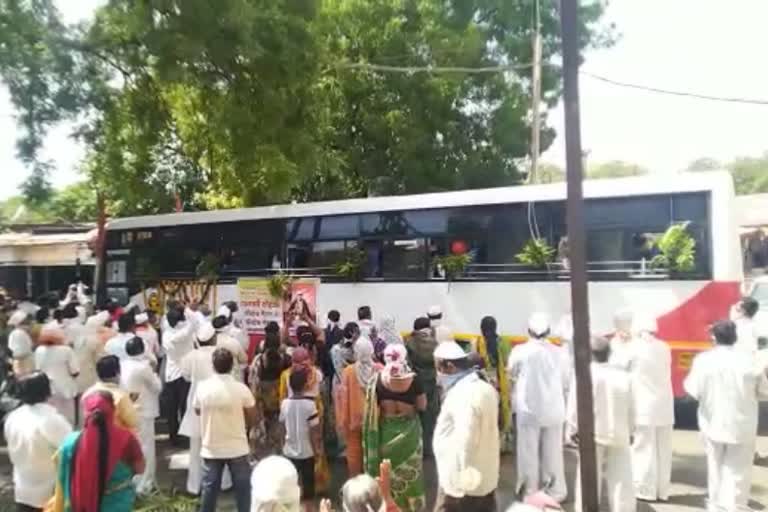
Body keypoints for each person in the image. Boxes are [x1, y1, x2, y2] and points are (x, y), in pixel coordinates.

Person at [684, 320, 768, 512]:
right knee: (739, 469)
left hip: (712, 423)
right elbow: (764, 391)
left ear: (713, 338)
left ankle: (716, 505)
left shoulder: (703, 360)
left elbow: (691, 391)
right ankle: (736, 505)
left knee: (715, 467)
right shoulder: (749, 360)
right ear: (735, 337)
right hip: (742, 425)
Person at [567, 336, 635, 512]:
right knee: (621, 477)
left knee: (588, 477)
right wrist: (631, 429)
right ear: (610, 353)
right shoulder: (623, 376)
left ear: (589, 353)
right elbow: (632, 406)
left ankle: (586, 508)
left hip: (592, 433)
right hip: (619, 431)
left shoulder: (584, 375)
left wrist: (572, 429)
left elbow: (575, 404)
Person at [506, 313, 568, 502]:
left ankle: (529, 491)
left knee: (527, 451)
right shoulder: (560, 353)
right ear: (549, 332)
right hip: (554, 409)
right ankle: (556, 491)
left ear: (528, 331)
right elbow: (566, 382)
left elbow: (511, 375)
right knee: (554, 452)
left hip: (528, 410)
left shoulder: (519, 351)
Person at [48, 391, 145, 512]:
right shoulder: (126, 439)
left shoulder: (70, 442)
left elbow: (62, 476)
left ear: (85, 413)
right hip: (117, 502)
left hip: (78, 504)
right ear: (113, 410)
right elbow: (140, 468)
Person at [433, 341, 500, 512]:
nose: (438, 375)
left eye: (438, 368)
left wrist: (464, 475)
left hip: (462, 482)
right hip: (485, 474)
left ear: (449, 366)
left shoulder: (462, 395)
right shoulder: (485, 388)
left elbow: (466, 437)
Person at [363, 344, 426, 511]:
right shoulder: (414, 380)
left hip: (386, 433)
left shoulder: (376, 380)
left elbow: (372, 408)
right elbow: (422, 406)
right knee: (412, 475)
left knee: (386, 473)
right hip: (409, 432)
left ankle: (387, 506)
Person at [194, 348, 255, 512]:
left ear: (213, 366)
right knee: (243, 491)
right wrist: (245, 428)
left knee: (209, 490)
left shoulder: (202, 387)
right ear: (231, 366)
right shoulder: (241, 389)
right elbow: (252, 415)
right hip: (238, 446)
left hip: (211, 447)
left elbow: (198, 410)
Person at [4, 372, 72, 512]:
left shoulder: (13, 417)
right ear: (46, 391)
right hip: (48, 493)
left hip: (23, 489)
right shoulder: (51, 420)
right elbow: (73, 448)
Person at [626, 316, 674, 502]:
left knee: (644, 449)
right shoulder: (664, 347)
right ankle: (663, 491)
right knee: (664, 450)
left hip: (643, 406)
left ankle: (645, 490)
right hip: (664, 406)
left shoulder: (634, 347)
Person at [179, 321, 231, 494]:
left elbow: (185, 376)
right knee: (220, 445)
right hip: (217, 399)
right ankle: (223, 483)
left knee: (196, 448)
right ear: (213, 338)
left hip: (196, 401)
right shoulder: (220, 355)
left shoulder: (190, 356)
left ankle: (194, 486)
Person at [278, 345, 331, 494]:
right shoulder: (316, 373)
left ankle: (299, 488)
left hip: (293, 411)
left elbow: (282, 396)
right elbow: (323, 394)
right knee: (316, 447)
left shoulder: (286, 375)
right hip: (313, 412)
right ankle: (317, 486)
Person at [120, 336, 162, 494]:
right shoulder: (143, 367)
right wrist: (154, 372)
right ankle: (145, 485)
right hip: (144, 411)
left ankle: (134, 482)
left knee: (133, 447)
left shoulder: (123, 364)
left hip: (128, 410)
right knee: (146, 448)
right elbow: (157, 387)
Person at [339, 337, 381, 476]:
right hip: (375, 417)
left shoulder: (349, 371)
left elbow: (344, 399)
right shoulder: (379, 369)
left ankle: (356, 482)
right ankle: (374, 481)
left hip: (354, 418)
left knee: (354, 450)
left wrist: (343, 420)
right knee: (373, 448)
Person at [281, 370, 322, 507]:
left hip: (289, 451)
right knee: (308, 488)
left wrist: (283, 443)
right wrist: (317, 450)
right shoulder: (310, 405)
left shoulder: (285, 404)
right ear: (306, 386)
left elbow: (282, 427)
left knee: (291, 486)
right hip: (307, 452)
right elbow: (314, 431)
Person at [249, 323, 291, 459]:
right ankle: (278, 452)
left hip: (262, 398)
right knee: (278, 427)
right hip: (280, 397)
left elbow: (253, 380)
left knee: (262, 427)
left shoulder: (259, 360)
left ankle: (261, 455)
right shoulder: (285, 358)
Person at [475, 316, 513, 452]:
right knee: (502, 411)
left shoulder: (478, 342)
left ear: (481, 329)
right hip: (501, 382)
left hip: (484, 382)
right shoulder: (504, 342)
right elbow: (508, 362)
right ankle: (501, 444)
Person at [163, 306, 196, 446]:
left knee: (171, 408)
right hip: (185, 374)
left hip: (171, 374)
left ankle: (173, 436)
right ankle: (185, 434)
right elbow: (194, 320)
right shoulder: (186, 332)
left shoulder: (166, 334)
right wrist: (187, 307)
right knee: (185, 406)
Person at [406, 316, 438, 458]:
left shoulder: (409, 342)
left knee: (415, 415)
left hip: (416, 383)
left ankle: (415, 447)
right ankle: (429, 449)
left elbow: (407, 364)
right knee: (430, 416)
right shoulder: (435, 343)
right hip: (431, 382)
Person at [35, 325, 79, 425]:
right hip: (65, 387)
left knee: (53, 417)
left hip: (47, 388)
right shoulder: (66, 350)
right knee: (68, 418)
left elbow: (38, 369)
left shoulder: (39, 350)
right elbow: (75, 371)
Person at [82, 355, 138, 431]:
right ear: (117, 372)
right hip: (118, 438)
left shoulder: (87, 394)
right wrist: (132, 405)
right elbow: (133, 421)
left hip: (95, 438)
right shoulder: (120, 396)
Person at [76, 311, 110, 396]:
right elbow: (102, 359)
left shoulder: (80, 338)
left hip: (79, 377)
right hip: (91, 378)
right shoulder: (95, 340)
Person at [212, 314, 249, 380]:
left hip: (214, 377)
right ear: (227, 327)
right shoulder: (233, 342)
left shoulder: (210, 342)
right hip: (232, 377)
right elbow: (244, 359)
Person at [8, 310, 35, 377]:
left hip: (17, 360)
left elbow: (10, 346)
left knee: (21, 380)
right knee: (30, 378)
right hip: (27, 360)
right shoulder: (23, 333)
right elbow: (30, 345)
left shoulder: (12, 333)